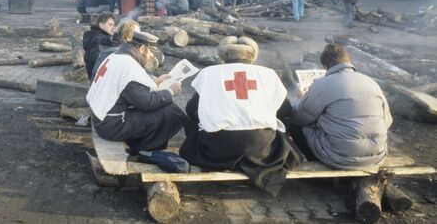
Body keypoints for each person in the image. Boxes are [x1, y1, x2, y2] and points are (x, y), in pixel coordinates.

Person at [179, 36, 302, 196]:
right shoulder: (268, 74)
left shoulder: (209, 73)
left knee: (191, 122)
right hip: (261, 149)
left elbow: (191, 110)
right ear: (252, 56)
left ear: (224, 56)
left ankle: (225, 163)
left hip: (219, 147)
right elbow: (285, 111)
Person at [86, 31, 187, 170]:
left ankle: (143, 145)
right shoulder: (128, 66)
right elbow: (148, 103)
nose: (151, 56)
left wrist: (155, 81)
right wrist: (171, 91)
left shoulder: (116, 56)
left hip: (102, 118)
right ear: (141, 48)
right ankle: (147, 150)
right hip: (111, 125)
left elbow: (128, 88)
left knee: (162, 105)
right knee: (169, 111)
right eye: (151, 52)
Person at [288, 44, 392, 170]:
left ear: (325, 67)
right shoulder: (371, 82)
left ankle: (315, 163)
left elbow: (300, 118)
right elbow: (388, 121)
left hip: (338, 157)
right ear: (348, 61)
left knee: (294, 122)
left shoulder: (323, 83)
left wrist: (301, 99)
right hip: (377, 156)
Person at [83, 13, 116, 79]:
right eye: (110, 25)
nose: (113, 27)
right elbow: (99, 61)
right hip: (100, 81)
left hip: (95, 80)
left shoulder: (94, 36)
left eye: (114, 25)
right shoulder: (100, 39)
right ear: (101, 25)